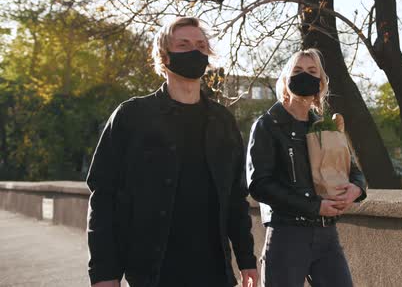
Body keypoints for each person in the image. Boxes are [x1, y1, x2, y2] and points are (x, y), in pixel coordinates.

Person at [86, 17, 258, 287]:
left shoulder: (223, 121)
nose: (195, 51)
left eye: (201, 45)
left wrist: (247, 259)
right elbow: (103, 197)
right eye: (184, 44)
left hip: (215, 273)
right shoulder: (132, 116)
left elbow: (236, 198)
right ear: (164, 57)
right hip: (153, 273)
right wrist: (104, 274)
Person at [246, 48, 367, 287]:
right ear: (285, 78)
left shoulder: (325, 127)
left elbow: (353, 170)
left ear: (321, 83)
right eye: (298, 70)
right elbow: (259, 185)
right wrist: (314, 206)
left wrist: (357, 189)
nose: (305, 75)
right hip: (286, 234)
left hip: (327, 236)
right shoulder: (268, 125)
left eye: (312, 71)